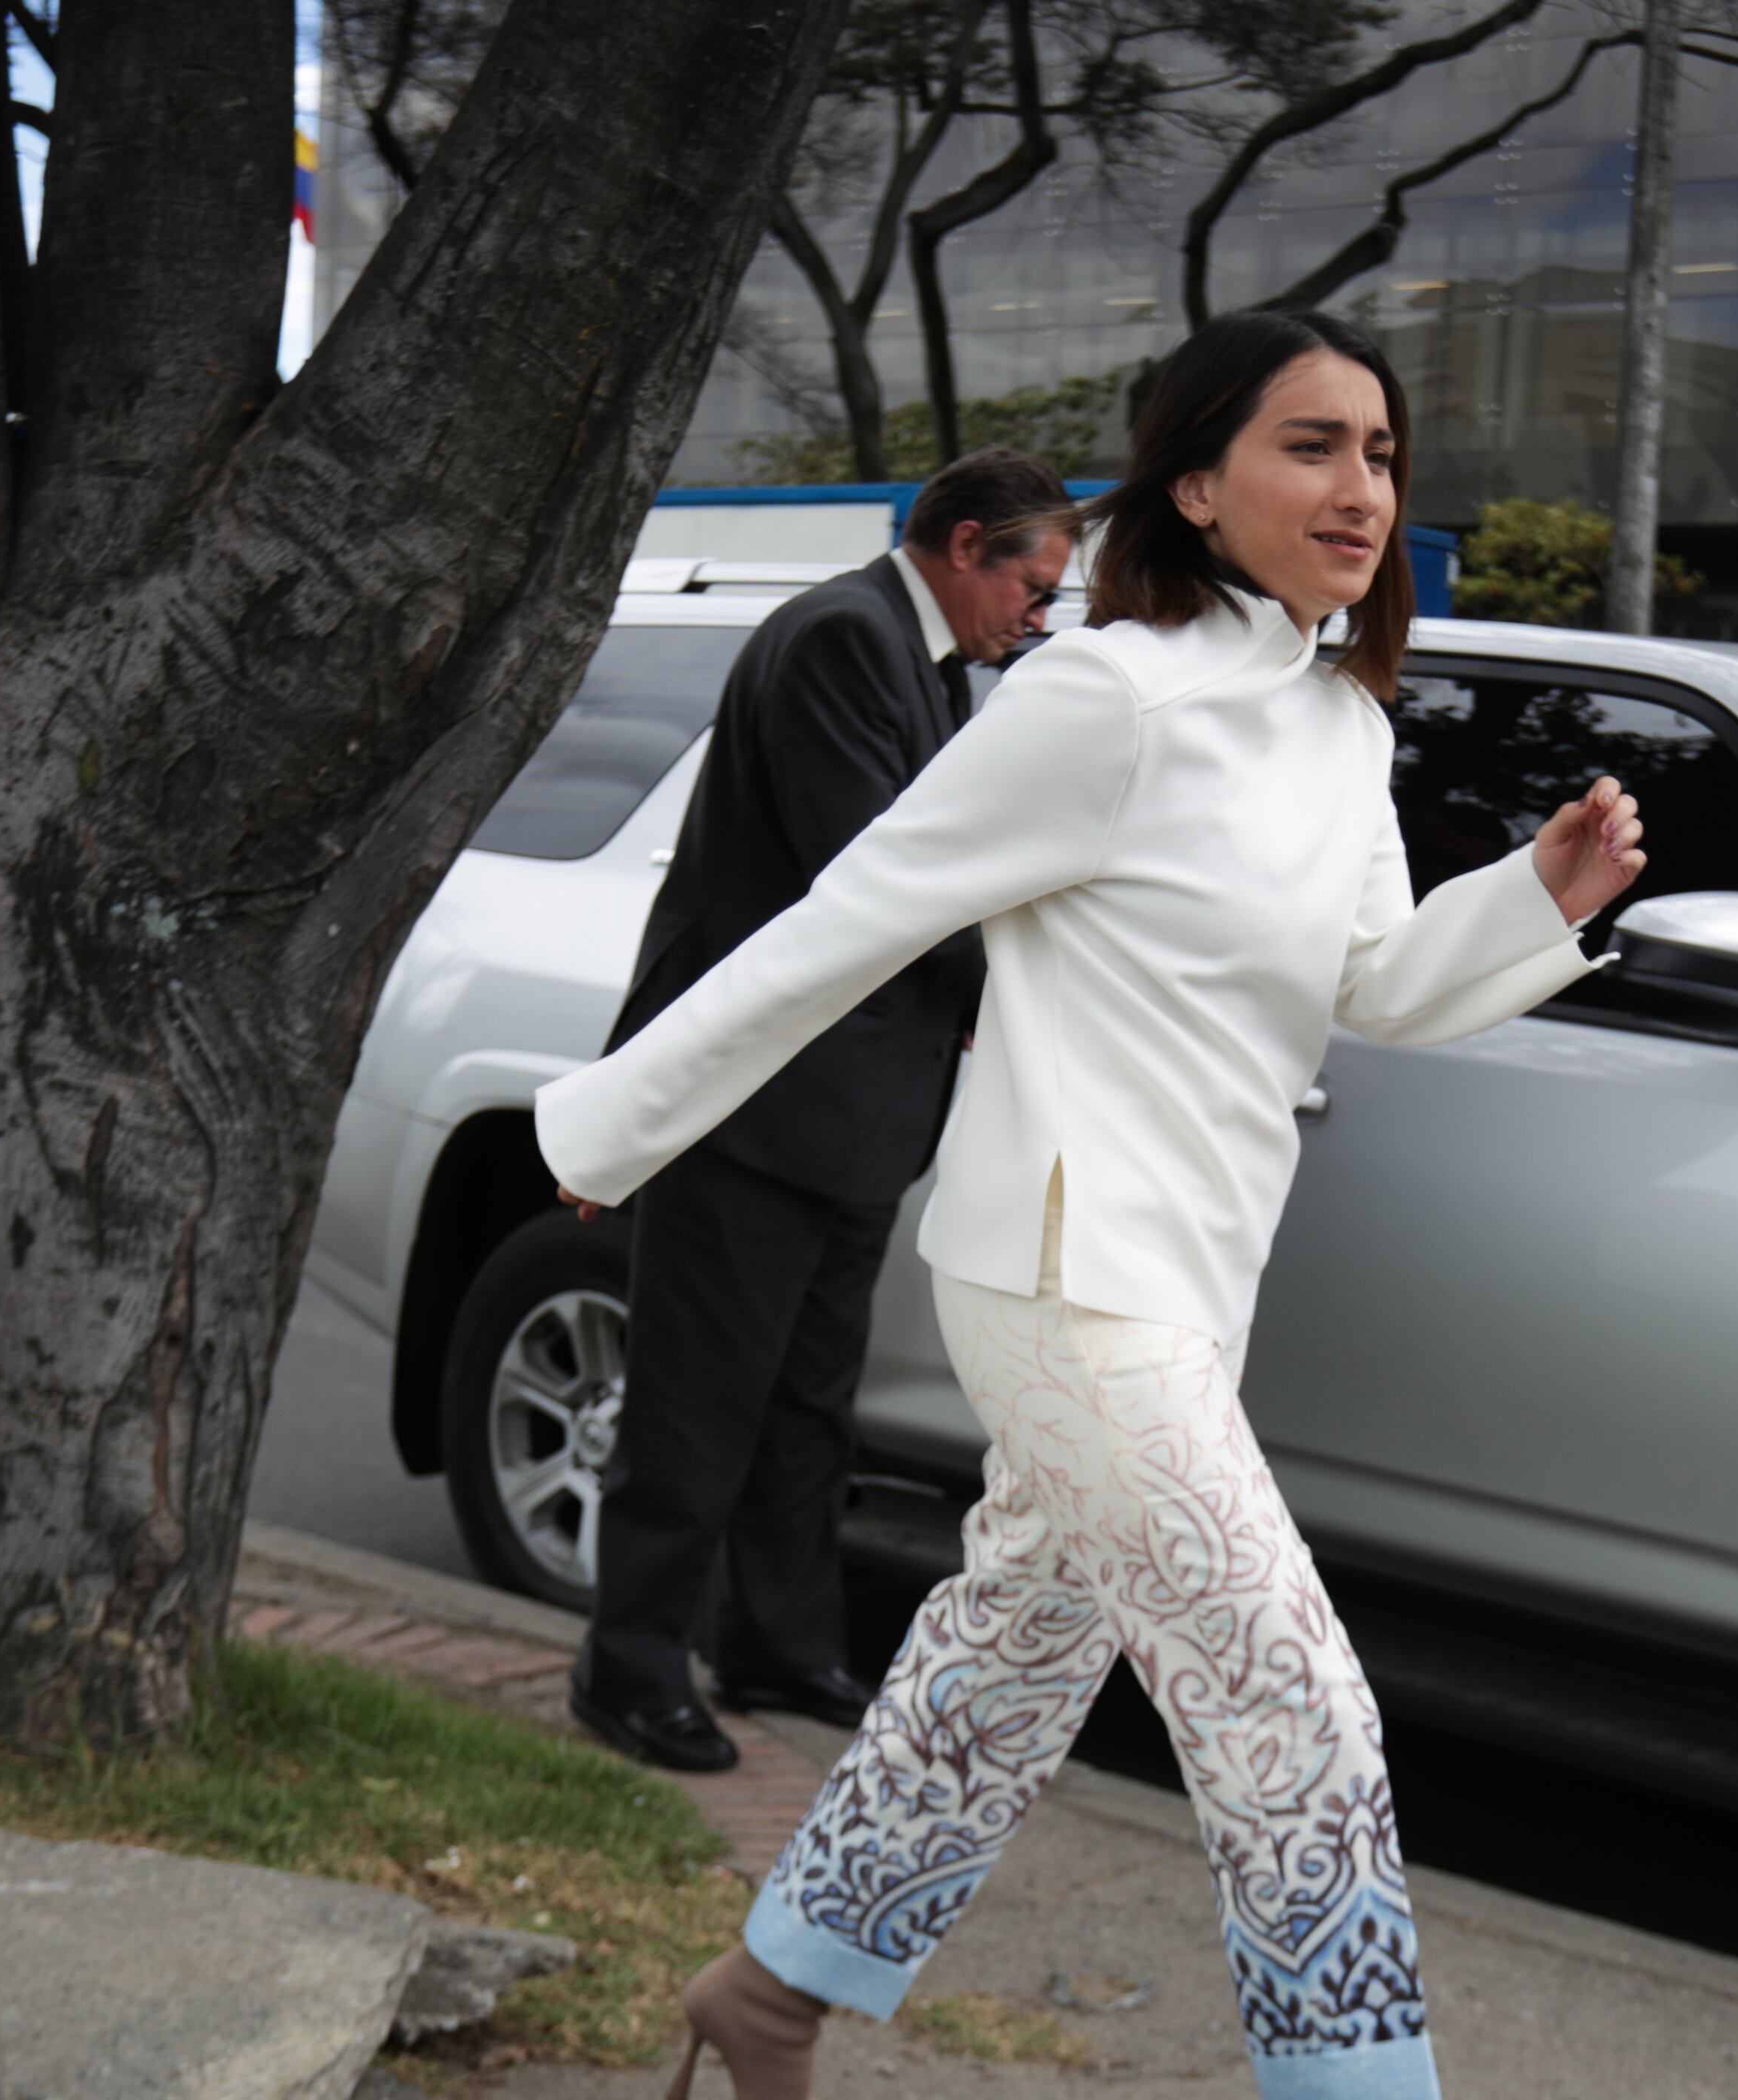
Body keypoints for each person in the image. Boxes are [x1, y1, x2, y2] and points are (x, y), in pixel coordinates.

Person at [539, 308, 1646, 2100]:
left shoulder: (1338, 723)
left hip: (1192, 1282)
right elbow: (856, 912)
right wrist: (614, 1123)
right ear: (1195, 483)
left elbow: (1375, 977)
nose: (1359, 485)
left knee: (1005, 1666)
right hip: (1061, 1273)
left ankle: (771, 1984)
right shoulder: (1103, 694)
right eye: (1310, 445)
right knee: (1292, 1705)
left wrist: (1535, 894)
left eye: (1379, 451)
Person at [571, 450, 1077, 1777]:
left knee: (806, 1405)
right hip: (759, 1108)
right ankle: (628, 1670)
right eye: (1034, 581)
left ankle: (776, 1644)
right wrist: (1030, 998)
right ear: (965, 543)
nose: (1041, 614)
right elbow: (879, 884)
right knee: (701, 1401)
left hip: (857, 1113)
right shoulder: (844, 639)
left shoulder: (928, 662)